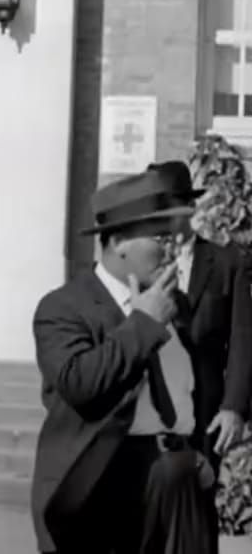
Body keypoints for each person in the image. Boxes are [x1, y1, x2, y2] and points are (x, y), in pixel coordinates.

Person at [30, 162, 222, 554]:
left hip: (180, 484)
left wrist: (198, 452)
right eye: (160, 237)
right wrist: (143, 322)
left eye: (173, 237)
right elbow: (80, 385)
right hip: (108, 490)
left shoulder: (176, 305)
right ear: (118, 242)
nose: (173, 247)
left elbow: (191, 387)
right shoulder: (64, 307)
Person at [152, 161, 252, 475]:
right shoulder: (141, 265)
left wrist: (233, 408)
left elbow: (242, 340)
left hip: (205, 409)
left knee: (199, 504)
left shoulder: (226, 263)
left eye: (168, 206)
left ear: (190, 207)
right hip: (152, 409)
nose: (161, 217)